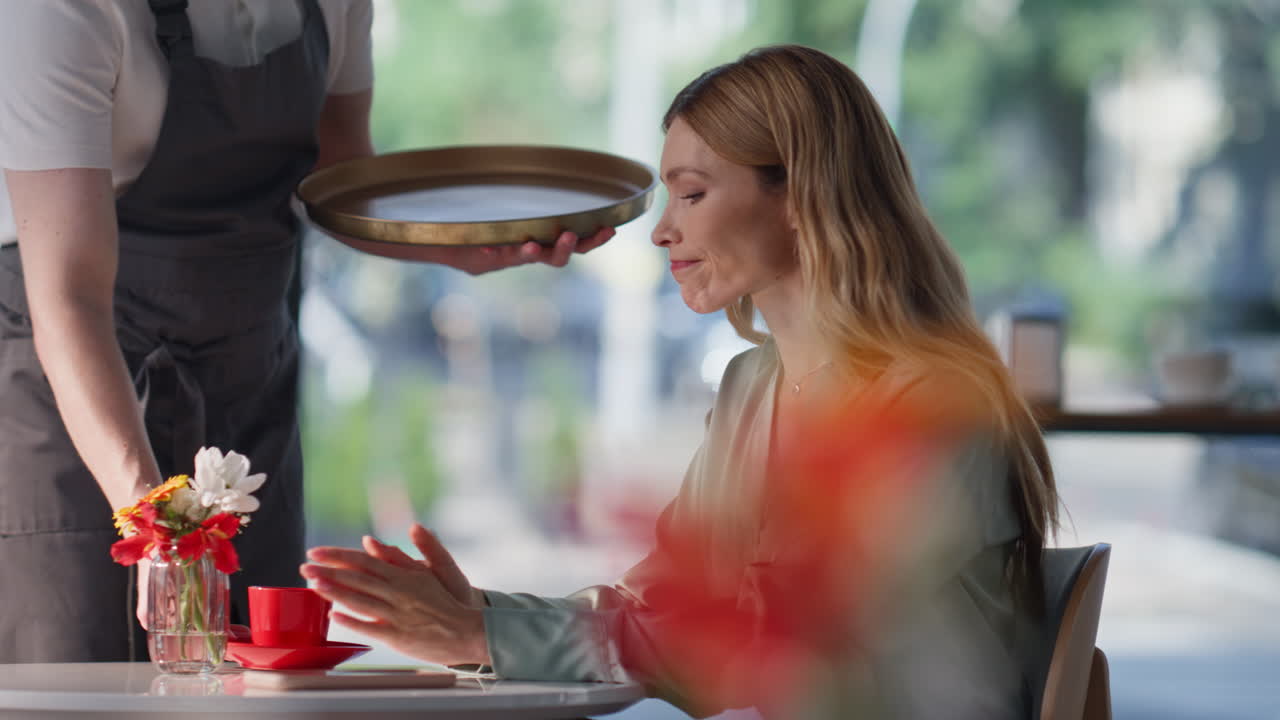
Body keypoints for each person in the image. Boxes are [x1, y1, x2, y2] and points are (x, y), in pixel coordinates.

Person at [300, 44, 1061, 718]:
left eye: (692, 194)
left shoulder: (933, 404)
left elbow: (775, 645)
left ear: (802, 195)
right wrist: (478, 615)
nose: (663, 231)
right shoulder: (751, 389)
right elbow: (665, 604)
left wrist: (483, 635)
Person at [0, 0, 612, 664]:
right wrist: (159, 523)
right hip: (77, 391)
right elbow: (70, 296)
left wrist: (462, 244)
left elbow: (338, 170)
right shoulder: (61, 12)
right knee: (88, 663)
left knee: (260, 665)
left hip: (246, 374)